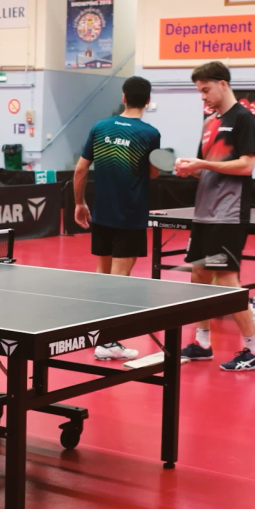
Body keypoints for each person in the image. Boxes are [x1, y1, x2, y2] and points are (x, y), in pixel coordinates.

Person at [173, 62, 255, 372]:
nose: (203, 97)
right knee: (199, 274)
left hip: (228, 213)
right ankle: (202, 343)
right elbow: (207, 168)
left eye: (206, 90)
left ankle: (253, 350)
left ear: (223, 84)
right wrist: (190, 169)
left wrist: (202, 164)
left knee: (226, 280)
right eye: (199, 91)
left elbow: (246, 166)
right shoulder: (209, 122)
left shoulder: (244, 119)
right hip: (204, 213)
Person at [73, 76, 161, 361]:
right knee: (119, 281)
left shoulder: (100, 127)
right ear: (147, 101)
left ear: (123, 97)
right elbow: (153, 172)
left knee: (103, 276)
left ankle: (98, 334)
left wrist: (79, 203)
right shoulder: (150, 134)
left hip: (101, 214)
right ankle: (108, 341)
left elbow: (80, 169)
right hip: (130, 217)